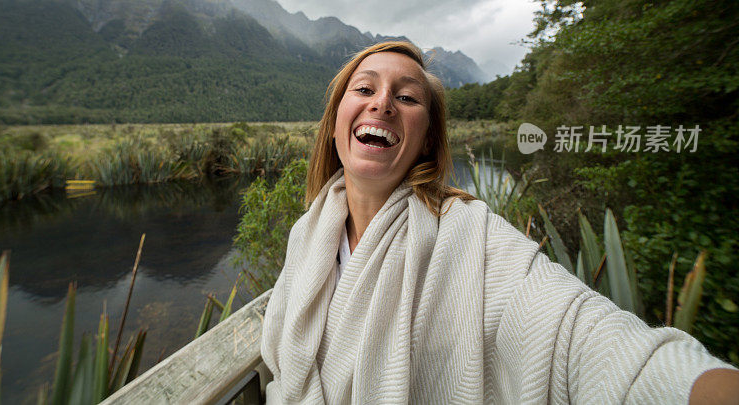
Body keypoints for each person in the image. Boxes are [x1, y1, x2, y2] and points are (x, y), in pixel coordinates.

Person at [260, 41, 739, 404]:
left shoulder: (468, 234)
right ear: (336, 117)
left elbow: (580, 334)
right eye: (364, 88)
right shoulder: (309, 233)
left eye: (406, 98)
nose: (382, 102)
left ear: (427, 140)